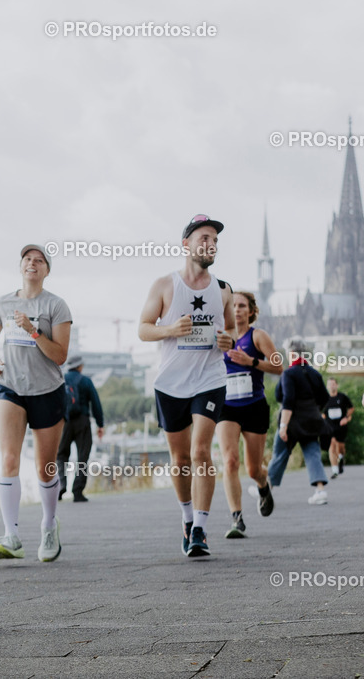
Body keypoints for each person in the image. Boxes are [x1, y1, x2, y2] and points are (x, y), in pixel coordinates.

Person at [138, 215, 235, 557]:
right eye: (204, 238)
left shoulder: (223, 289)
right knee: (179, 458)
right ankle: (187, 518)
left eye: (215, 240)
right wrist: (170, 330)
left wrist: (228, 341)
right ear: (186, 244)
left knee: (200, 452)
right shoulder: (165, 285)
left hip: (209, 379)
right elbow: (143, 328)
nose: (211, 244)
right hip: (171, 383)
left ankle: (200, 530)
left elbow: (232, 330)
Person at [0, 244, 71, 562]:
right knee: (9, 459)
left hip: (47, 389)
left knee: (44, 468)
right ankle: (12, 536)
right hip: (10, 387)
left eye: (39, 260)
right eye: (27, 259)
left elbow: (60, 355)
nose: (32, 263)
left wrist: (33, 331)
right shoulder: (4, 302)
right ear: (21, 266)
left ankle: (49, 525)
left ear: (47, 270)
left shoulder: (56, 305)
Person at [217, 291, 283, 537]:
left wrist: (251, 362)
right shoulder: (219, 336)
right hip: (226, 406)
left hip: (254, 405)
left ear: (251, 311)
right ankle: (237, 518)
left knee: (253, 469)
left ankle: (263, 486)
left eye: (242, 306)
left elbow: (278, 366)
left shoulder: (258, 336)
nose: (237, 310)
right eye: (233, 305)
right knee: (230, 461)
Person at [267, 337, 331, 505]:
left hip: (292, 422)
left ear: (291, 353)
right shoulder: (314, 373)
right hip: (312, 421)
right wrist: (315, 410)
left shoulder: (289, 374)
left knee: (280, 453)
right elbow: (325, 397)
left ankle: (266, 489)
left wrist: (283, 426)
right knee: (312, 453)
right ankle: (320, 490)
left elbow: (287, 400)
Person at [55, 355, 104, 503]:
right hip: (83, 422)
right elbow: (96, 403)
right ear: (80, 366)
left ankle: (61, 485)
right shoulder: (86, 381)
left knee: (61, 455)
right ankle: (77, 491)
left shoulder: (61, 379)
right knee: (82, 457)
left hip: (65, 421)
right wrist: (100, 424)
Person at [319, 377, 354, 479]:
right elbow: (320, 411)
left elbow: (351, 408)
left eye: (333, 384)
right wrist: (322, 417)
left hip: (341, 426)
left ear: (337, 385)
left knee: (340, 447)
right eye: (329, 384)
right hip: (329, 426)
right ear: (327, 386)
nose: (331, 386)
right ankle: (335, 470)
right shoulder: (324, 398)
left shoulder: (342, 397)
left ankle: (341, 458)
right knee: (332, 445)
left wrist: (346, 418)